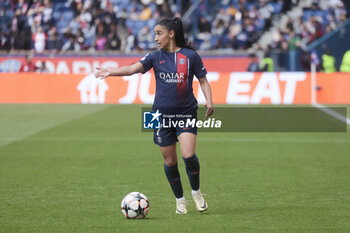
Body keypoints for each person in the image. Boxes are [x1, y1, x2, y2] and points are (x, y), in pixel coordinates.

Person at [95, 17, 213, 214]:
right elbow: (133, 69)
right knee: (169, 162)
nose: (156, 38)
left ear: (171, 34)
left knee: (188, 154)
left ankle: (196, 192)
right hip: (159, 115)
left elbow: (203, 80)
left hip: (186, 112)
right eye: (155, 34)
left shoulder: (190, 56)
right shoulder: (154, 57)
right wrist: (111, 72)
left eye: (159, 33)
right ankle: (180, 200)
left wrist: (209, 100)